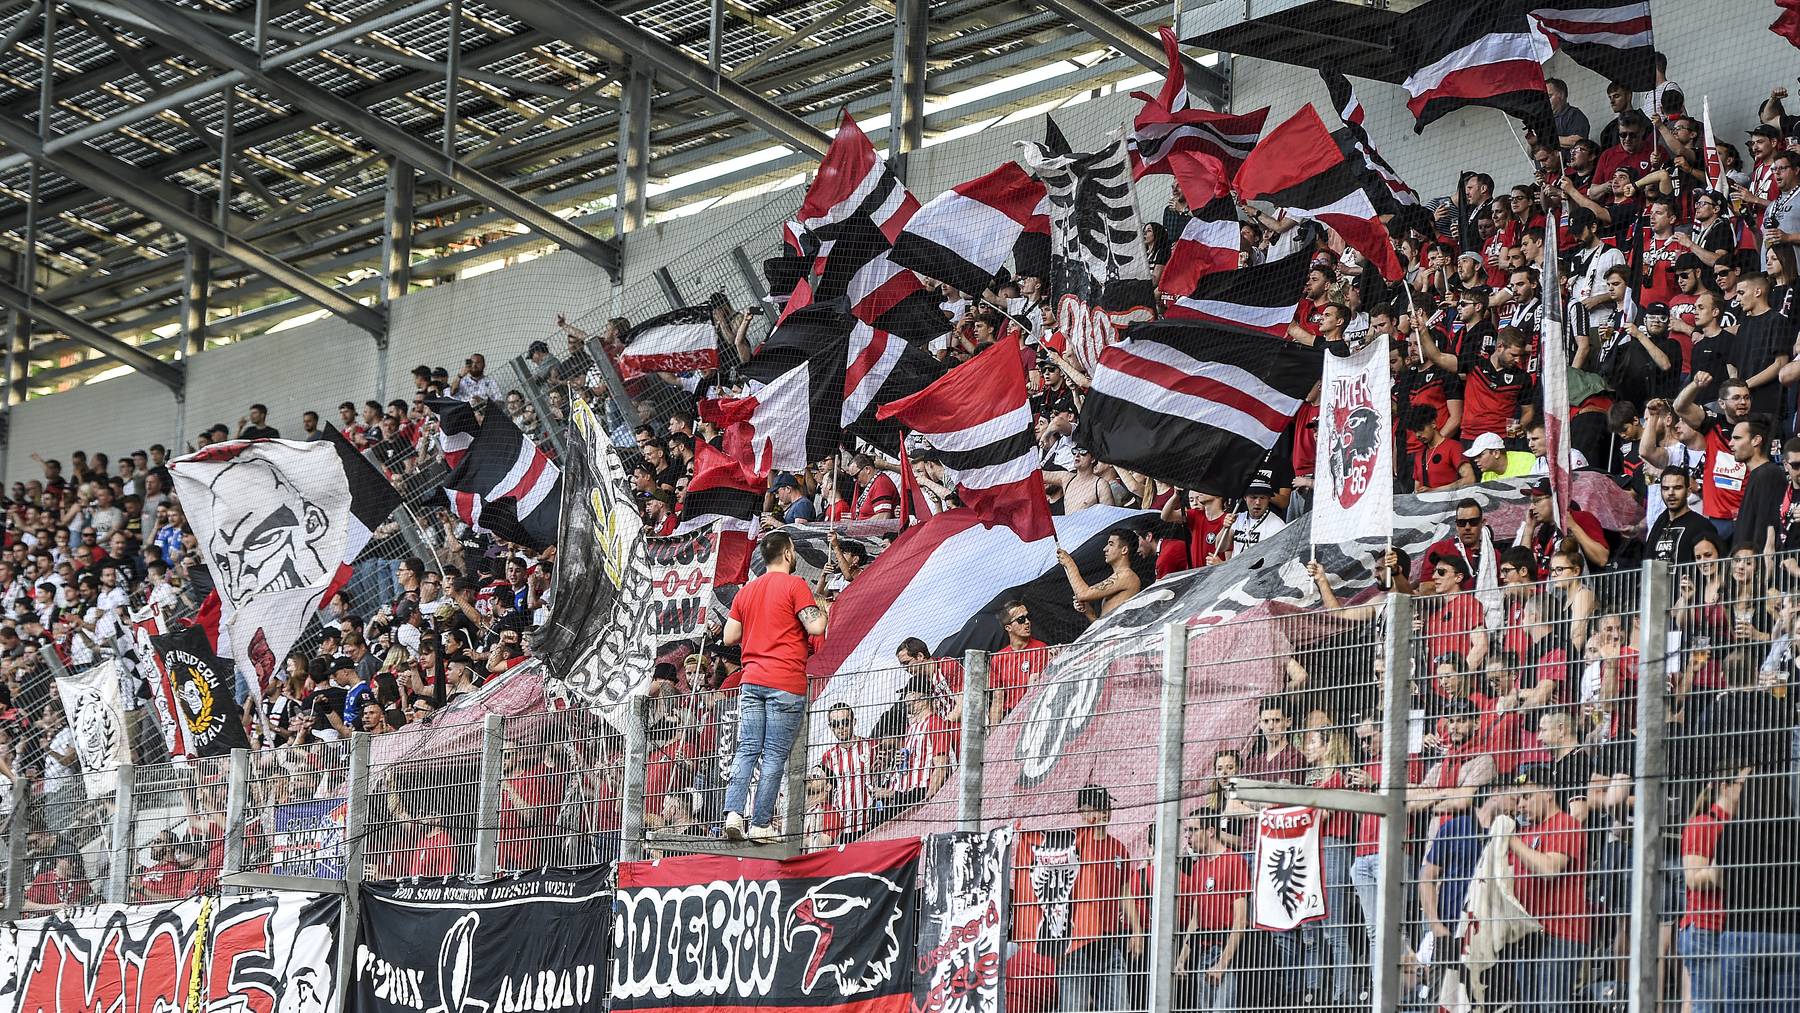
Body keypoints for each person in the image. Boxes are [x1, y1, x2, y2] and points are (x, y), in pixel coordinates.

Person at [719, 532, 828, 842]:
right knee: (774, 756)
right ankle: (761, 823)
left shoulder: (746, 592)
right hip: (785, 682)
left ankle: (734, 814)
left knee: (747, 749)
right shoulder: (796, 586)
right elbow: (816, 626)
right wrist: (822, 608)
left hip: (751, 681)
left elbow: (729, 637)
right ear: (789, 554)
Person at [1506, 763, 1589, 1010]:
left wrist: (1510, 840)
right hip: (1527, 934)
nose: (1520, 805)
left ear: (1549, 793)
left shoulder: (1566, 824)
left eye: (1527, 796)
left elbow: (1550, 870)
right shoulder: (1525, 831)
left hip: (1560, 934)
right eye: (1518, 798)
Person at [1177, 809, 1249, 1012]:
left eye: (1192, 830)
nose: (1188, 836)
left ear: (1210, 831)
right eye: (1187, 831)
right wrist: (1182, 959)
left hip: (1227, 952)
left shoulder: (1235, 861)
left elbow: (1241, 919)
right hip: (1204, 953)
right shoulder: (1198, 867)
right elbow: (1195, 921)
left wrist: (1222, 963)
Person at [1059, 528, 1142, 622]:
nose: (1105, 549)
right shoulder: (1119, 576)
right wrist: (1089, 613)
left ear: (1124, 550)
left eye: (1111, 544)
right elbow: (1102, 625)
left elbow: (1083, 594)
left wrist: (1069, 564)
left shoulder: (1127, 576)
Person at [989, 599, 1050, 725]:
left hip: (1032, 714)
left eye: (1027, 618)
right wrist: (993, 734)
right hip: (1009, 717)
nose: (1027, 622)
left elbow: (1033, 689)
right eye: (1021, 620)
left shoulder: (1040, 648)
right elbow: (997, 698)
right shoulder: (998, 658)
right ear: (1008, 627)